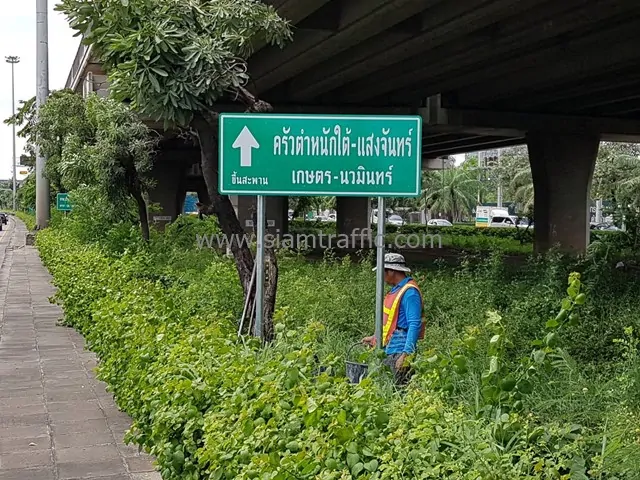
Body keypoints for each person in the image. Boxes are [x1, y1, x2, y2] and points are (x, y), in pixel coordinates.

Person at [362, 253, 425, 385]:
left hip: (400, 351)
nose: (381, 277)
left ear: (391, 271)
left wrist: (406, 354)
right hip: (389, 349)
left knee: (400, 393)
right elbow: (391, 322)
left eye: (382, 272)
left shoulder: (409, 292)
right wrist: (375, 338)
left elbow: (414, 324)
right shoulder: (397, 290)